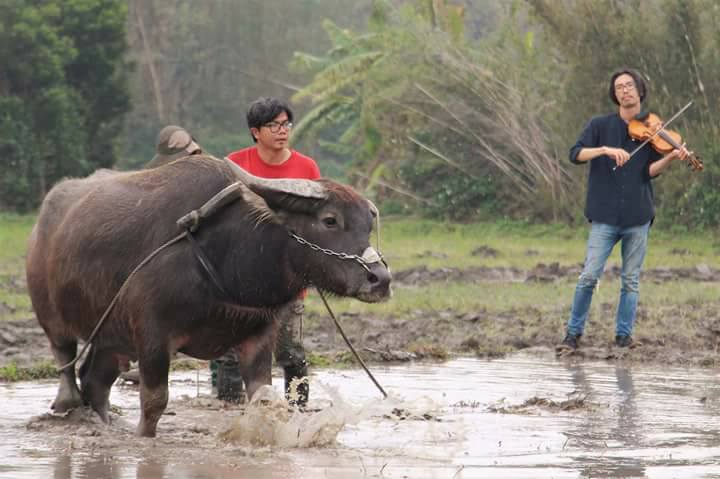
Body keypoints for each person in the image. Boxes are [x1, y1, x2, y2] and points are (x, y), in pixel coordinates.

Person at [558, 68, 689, 351]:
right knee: (589, 276)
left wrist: (671, 158)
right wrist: (604, 150)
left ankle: (623, 337)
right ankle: (572, 334)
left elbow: (650, 172)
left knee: (630, 281)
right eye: (619, 87)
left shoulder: (654, 129)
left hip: (637, 216)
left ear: (640, 91)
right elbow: (575, 154)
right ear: (614, 94)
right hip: (604, 215)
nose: (624, 90)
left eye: (629, 86)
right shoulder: (599, 125)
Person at [212, 97, 321, 406]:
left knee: (290, 352)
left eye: (286, 124)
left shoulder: (306, 168)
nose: (282, 131)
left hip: (288, 282)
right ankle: (228, 413)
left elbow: (314, 222)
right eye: (273, 125)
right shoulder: (234, 165)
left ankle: (298, 414)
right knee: (234, 353)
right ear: (255, 132)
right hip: (239, 283)